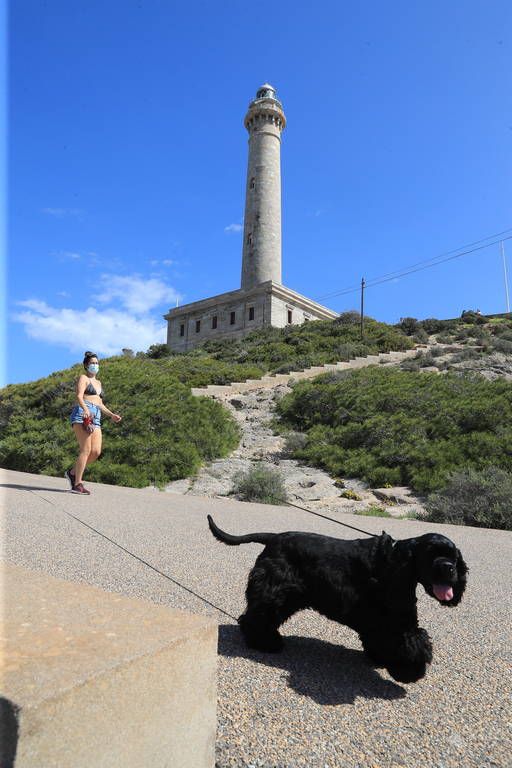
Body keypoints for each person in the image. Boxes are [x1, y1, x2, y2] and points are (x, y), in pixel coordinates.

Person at [65, 351, 122, 495]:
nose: (95, 365)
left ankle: (72, 472)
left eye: (97, 363)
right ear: (86, 365)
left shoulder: (99, 383)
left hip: (96, 415)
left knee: (96, 452)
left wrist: (111, 415)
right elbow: (79, 396)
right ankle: (77, 483)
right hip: (83, 413)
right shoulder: (83, 378)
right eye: (92, 363)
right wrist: (85, 409)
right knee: (86, 449)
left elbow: (100, 403)